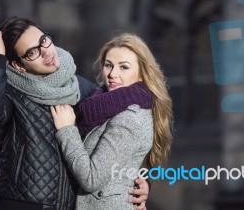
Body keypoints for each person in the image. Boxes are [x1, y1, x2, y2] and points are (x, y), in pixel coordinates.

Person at [0, 17, 149, 210]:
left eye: (43, 40)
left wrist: (133, 179)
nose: (46, 52)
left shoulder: (81, 87)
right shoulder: (10, 91)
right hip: (25, 203)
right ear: (18, 66)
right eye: (32, 52)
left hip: (70, 203)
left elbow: (113, 143)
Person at [51, 33, 173, 209]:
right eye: (108, 65)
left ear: (141, 74)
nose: (113, 74)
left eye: (124, 67)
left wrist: (67, 130)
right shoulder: (103, 105)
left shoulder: (129, 119)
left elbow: (91, 179)